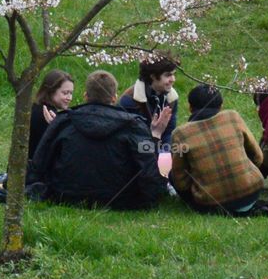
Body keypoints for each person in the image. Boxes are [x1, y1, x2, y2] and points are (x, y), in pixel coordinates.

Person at [31, 70, 172, 209]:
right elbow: (150, 173)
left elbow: (39, 165)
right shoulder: (133, 125)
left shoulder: (64, 121)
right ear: (114, 98)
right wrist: (156, 136)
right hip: (121, 199)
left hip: (67, 195)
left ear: (86, 96)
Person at [170, 84, 265, 215]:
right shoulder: (233, 117)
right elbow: (258, 156)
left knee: (171, 173)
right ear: (221, 106)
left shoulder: (180, 134)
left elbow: (180, 180)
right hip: (252, 192)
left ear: (190, 107)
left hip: (211, 205)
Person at [119, 53, 179, 151]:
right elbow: (128, 139)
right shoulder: (130, 101)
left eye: (173, 74)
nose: (173, 79)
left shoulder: (171, 98)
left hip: (157, 150)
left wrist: (165, 157)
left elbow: (169, 133)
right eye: (168, 75)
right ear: (153, 76)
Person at [28, 69, 75, 161]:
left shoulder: (35, 107)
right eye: (65, 93)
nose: (69, 98)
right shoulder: (48, 114)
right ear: (51, 91)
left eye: (71, 93)